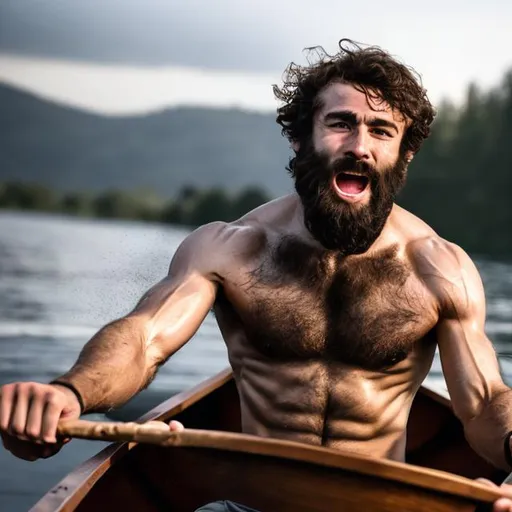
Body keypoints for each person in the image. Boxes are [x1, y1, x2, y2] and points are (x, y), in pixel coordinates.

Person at [1, 39, 512, 511]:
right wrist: (70, 393)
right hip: (251, 506)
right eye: (341, 123)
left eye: (382, 131)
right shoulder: (232, 248)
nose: (360, 145)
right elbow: (145, 339)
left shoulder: (440, 269)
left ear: (405, 153)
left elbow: (485, 403)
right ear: (300, 138)